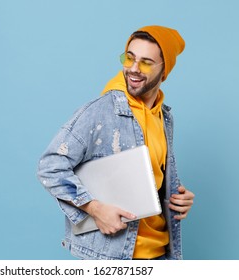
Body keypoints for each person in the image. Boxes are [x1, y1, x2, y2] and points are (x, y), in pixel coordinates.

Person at [37, 25, 195, 260]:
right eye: (129, 58)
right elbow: (50, 166)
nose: (133, 68)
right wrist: (94, 208)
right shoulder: (101, 111)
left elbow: (151, 177)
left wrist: (178, 197)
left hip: (162, 253)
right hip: (113, 256)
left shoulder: (164, 117)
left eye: (146, 62)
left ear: (165, 71)